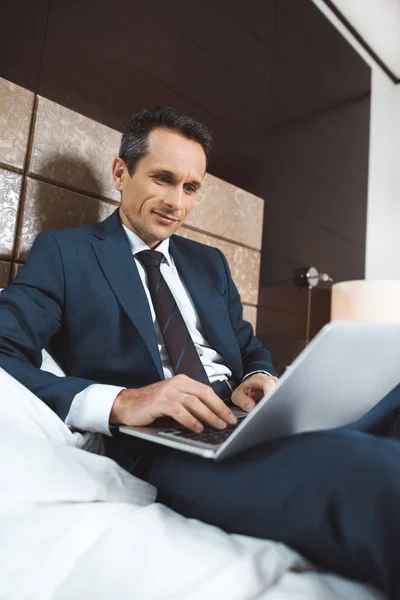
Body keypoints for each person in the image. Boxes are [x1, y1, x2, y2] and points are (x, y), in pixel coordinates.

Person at [1, 106, 400, 599]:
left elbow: (249, 344)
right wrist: (122, 401)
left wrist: (257, 375)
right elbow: (4, 350)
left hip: (247, 417)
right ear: (121, 173)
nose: (176, 202)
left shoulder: (208, 263)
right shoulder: (66, 253)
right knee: (371, 471)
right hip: (170, 447)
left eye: (190, 188)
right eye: (163, 179)